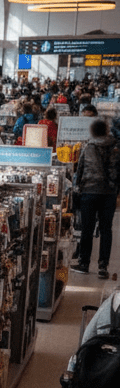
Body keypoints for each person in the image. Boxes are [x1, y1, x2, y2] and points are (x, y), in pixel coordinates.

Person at [73, 119, 120, 278]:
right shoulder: (115, 148)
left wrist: (78, 187)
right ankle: (103, 266)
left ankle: (84, 263)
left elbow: (79, 170)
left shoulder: (88, 147)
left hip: (89, 192)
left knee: (87, 228)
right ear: (106, 130)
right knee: (106, 229)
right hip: (109, 193)